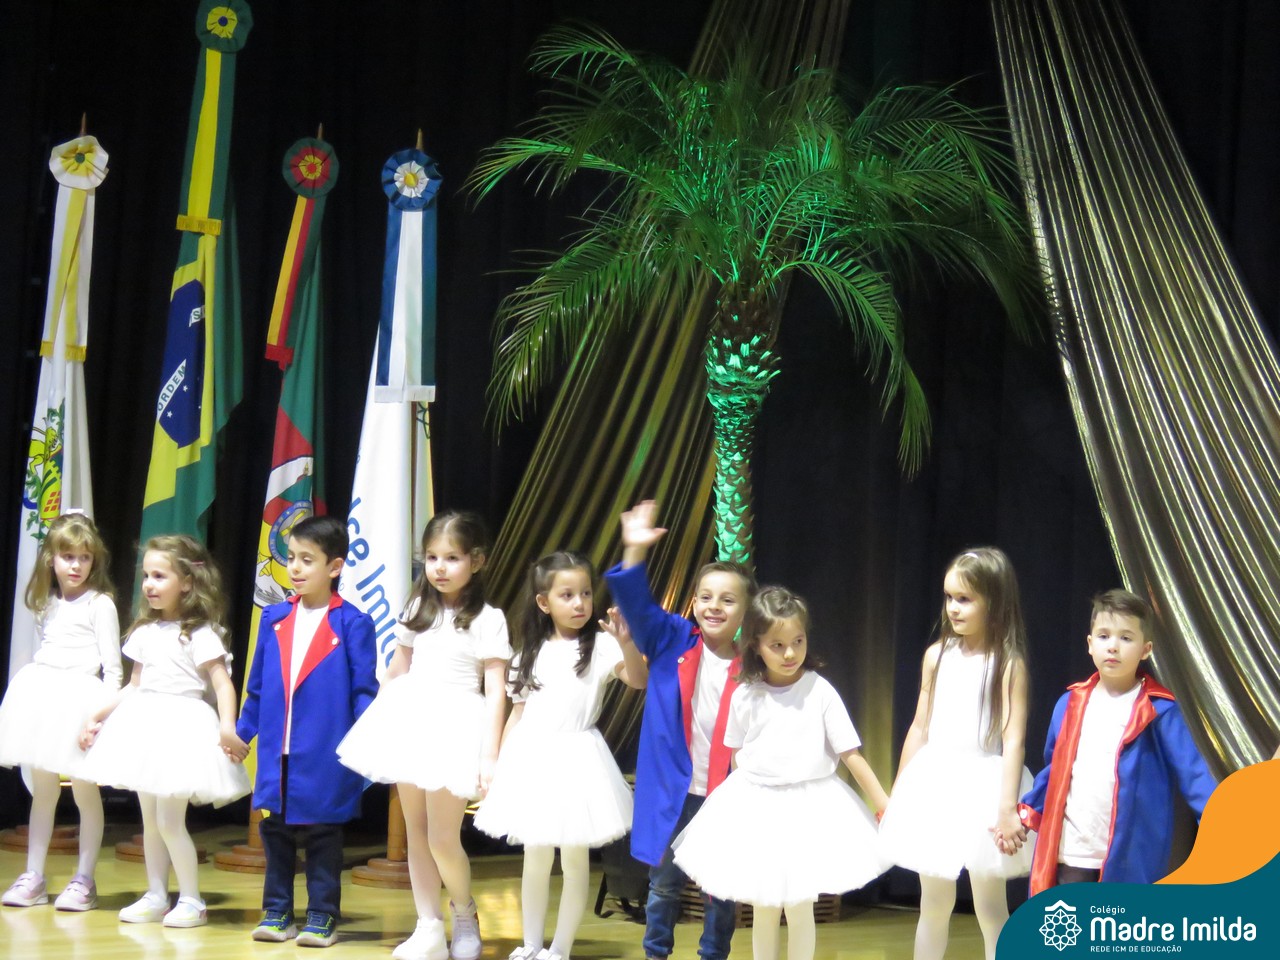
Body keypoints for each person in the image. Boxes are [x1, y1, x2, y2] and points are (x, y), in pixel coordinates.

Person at [672, 586, 889, 960]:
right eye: (777, 645)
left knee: (800, 906)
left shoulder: (819, 691)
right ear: (756, 645)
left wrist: (884, 803)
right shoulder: (745, 694)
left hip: (808, 807)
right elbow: (737, 756)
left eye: (797, 641)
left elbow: (850, 754)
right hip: (760, 807)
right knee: (765, 907)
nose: (790, 653)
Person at [337, 512, 509, 960]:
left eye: (451, 558)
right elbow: (399, 668)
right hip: (411, 718)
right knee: (415, 830)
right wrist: (379, 720)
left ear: (476, 561)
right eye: (432, 557)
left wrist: (490, 754)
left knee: (442, 837)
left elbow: (496, 692)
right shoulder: (417, 608)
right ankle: (427, 925)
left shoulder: (488, 618)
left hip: (457, 723)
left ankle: (464, 912)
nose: (439, 567)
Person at [475, 552, 647, 960]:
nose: (579, 603)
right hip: (532, 757)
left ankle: (561, 948)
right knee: (535, 855)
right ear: (543, 602)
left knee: (574, 856)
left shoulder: (601, 646)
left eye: (585, 593)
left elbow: (638, 680)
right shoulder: (529, 652)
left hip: (579, 758)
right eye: (567, 595)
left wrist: (626, 642)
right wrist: (498, 762)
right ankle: (531, 942)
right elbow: (518, 712)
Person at [604, 500, 755, 960]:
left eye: (727, 599)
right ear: (693, 602)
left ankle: (713, 956)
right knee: (664, 884)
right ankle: (656, 954)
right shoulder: (672, 639)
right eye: (706, 597)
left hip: (724, 792)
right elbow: (636, 605)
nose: (714, 606)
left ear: (746, 610)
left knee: (721, 890)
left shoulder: (755, 666)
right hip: (674, 788)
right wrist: (634, 549)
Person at [79, 535, 250, 928]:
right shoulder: (144, 631)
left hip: (182, 729)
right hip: (145, 726)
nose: (149, 584)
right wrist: (97, 716)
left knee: (170, 822)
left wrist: (227, 726)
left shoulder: (200, 633)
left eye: (159, 576)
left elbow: (223, 685)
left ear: (187, 582)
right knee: (151, 822)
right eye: (146, 576)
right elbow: (134, 686)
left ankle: (192, 899)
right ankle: (156, 894)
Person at [878, 547, 1032, 960]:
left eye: (965, 599)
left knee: (990, 906)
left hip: (984, 788)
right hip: (935, 785)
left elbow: (1013, 739)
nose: (953, 608)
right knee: (933, 903)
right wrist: (898, 795)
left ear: (993, 602)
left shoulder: (1007, 664)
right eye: (949, 597)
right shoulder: (937, 655)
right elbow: (919, 727)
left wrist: (1007, 808)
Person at [236, 514, 378, 946]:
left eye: (307, 560)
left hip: (324, 751)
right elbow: (257, 686)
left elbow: (363, 691)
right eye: (292, 558)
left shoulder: (352, 623)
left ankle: (322, 914)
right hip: (276, 749)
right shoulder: (274, 617)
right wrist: (243, 732)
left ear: (334, 567)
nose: (295, 568)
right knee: (275, 830)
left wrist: (366, 741)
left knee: (323, 833)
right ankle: (277, 911)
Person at [1018, 589, 1217, 894]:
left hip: (1131, 858)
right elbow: (1053, 772)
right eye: (1104, 636)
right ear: (1090, 644)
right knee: (1069, 923)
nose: (1113, 646)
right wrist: (1026, 813)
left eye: (1126, 638)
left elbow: (1195, 775)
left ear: (1146, 649)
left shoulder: (1159, 709)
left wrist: (1224, 826)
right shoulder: (1069, 704)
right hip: (1072, 853)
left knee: (1120, 924)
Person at [0, 513, 121, 911]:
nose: (76, 565)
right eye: (68, 556)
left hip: (81, 701)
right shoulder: (47, 604)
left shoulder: (100, 604)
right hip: (42, 697)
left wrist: (99, 717)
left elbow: (113, 670)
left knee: (85, 791)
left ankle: (84, 878)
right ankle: (33, 875)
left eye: (84, 557)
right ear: (51, 559)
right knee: (43, 789)